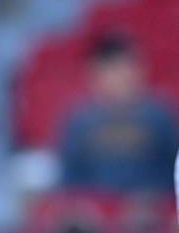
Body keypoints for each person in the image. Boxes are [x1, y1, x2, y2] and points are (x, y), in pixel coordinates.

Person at [60, 32, 178, 193]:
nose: (118, 78)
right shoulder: (79, 123)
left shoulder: (159, 116)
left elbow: (173, 171)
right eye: (110, 70)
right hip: (98, 209)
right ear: (94, 74)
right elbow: (70, 181)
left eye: (123, 69)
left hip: (153, 208)